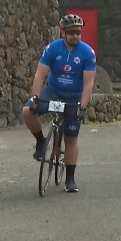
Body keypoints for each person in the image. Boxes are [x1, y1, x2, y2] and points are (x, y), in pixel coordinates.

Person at [22, 14, 97, 193]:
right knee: (27, 111)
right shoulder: (52, 49)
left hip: (74, 97)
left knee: (71, 139)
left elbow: (88, 84)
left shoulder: (87, 52)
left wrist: (83, 106)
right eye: (71, 32)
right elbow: (40, 75)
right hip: (53, 92)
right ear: (63, 32)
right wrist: (36, 97)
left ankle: (70, 179)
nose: (75, 36)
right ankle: (41, 142)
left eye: (78, 32)